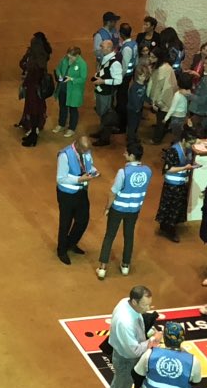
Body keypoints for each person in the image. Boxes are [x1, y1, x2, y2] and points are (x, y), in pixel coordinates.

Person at [102, 285, 161, 388]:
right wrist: (152, 341)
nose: (148, 308)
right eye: (145, 305)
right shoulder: (125, 322)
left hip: (121, 354)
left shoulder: (125, 303)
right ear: (134, 302)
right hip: (126, 360)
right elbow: (133, 351)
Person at [96, 143, 152, 279]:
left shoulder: (123, 172)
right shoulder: (148, 171)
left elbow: (113, 192)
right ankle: (125, 266)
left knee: (110, 235)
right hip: (134, 209)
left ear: (132, 156)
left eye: (126, 153)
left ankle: (103, 267)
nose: (124, 154)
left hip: (118, 208)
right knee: (129, 235)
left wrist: (107, 208)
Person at [55, 136, 98, 265]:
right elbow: (61, 178)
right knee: (65, 223)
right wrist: (79, 180)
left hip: (82, 191)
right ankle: (61, 250)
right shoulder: (65, 156)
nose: (87, 152)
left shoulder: (86, 152)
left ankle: (71, 243)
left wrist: (93, 172)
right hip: (66, 194)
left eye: (88, 150)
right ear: (78, 146)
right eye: (85, 150)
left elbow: (89, 165)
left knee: (83, 220)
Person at [154, 128, 200, 242]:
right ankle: (169, 230)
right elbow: (168, 169)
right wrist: (185, 167)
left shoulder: (188, 150)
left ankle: (167, 226)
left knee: (176, 207)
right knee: (170, 207)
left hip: (181, 184)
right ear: (183, 140)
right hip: (172, 185)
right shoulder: (174, 151)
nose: (192, 145)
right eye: (190, 143)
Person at [91, 38, 123, 147]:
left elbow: (118, 80)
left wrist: (103, 81)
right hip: (101, 91)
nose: (100, 49)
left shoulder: (115, 63)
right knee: (101, 113)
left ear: (109, 48)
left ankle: (104, 139)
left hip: (106, 93)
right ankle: (101, 132)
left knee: (106, 115)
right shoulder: (106, 58)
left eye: (102, 47)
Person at [19, 40, 50, 147]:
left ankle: (33, 138)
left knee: (33, 114)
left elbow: (30, 77)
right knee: (35, 113)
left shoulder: (34, 63)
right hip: (38, 93)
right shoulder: (42, 60)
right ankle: (33, 135)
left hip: (33, 92)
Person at [147, 47, 178, 144]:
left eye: (153, 57)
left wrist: (156, 102)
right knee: (161, 118)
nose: (150, 59)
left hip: (163, 99)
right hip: (163, 97)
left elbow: (161, 88)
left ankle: (156, 139)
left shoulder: (164, 69)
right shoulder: (162, 66)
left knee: (161, 120)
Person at [125, 56, 151, 146]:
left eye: (144, 76)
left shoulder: (143, 86)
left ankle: (133, 136)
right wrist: (136, 107)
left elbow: (144, 96)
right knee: (132, 125)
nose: (142, 77)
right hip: (132, 109)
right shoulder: (134, 87)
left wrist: (150, 101)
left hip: (139, 109)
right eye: (140, 75)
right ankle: (130, 140)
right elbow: (133, 98)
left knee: (136, 124)